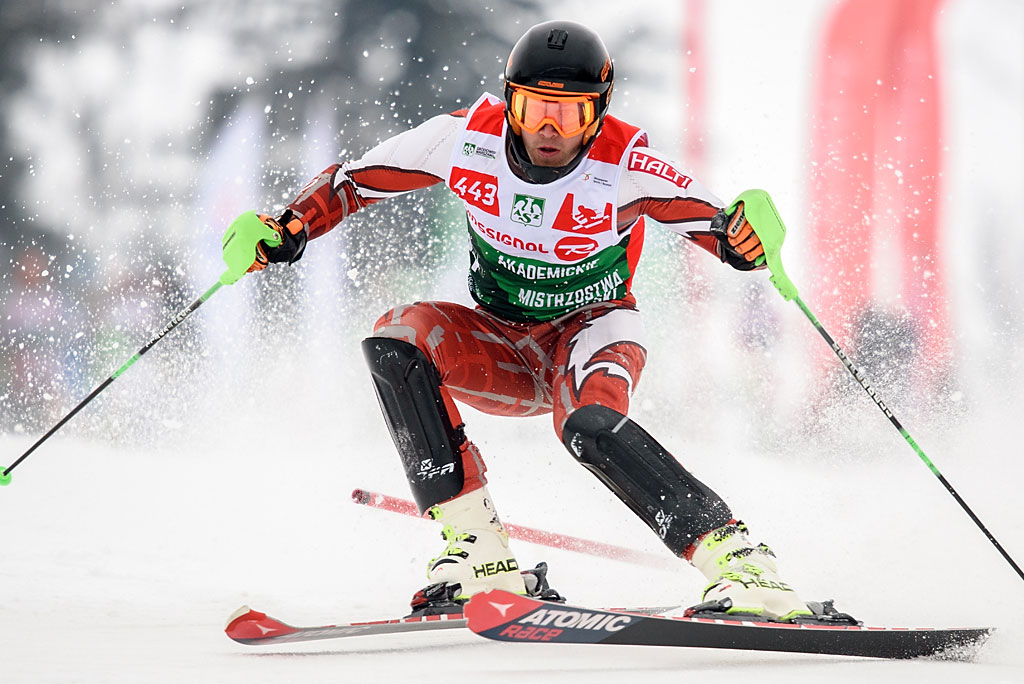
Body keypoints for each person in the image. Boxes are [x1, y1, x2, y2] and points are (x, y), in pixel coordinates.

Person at [239, 20, 813, 621]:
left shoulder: (626, 165)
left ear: (599, 113)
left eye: (569, 113)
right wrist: (286, 229)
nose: (547, 127)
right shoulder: (463, 140)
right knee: (395, 340)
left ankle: (744, 565)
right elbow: (351, 183)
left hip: (590, 334)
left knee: (589, 426)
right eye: (534, 106)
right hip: (503, 344)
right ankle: (480, 556)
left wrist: (745, 235)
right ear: (509, 98)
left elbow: (720, 229)